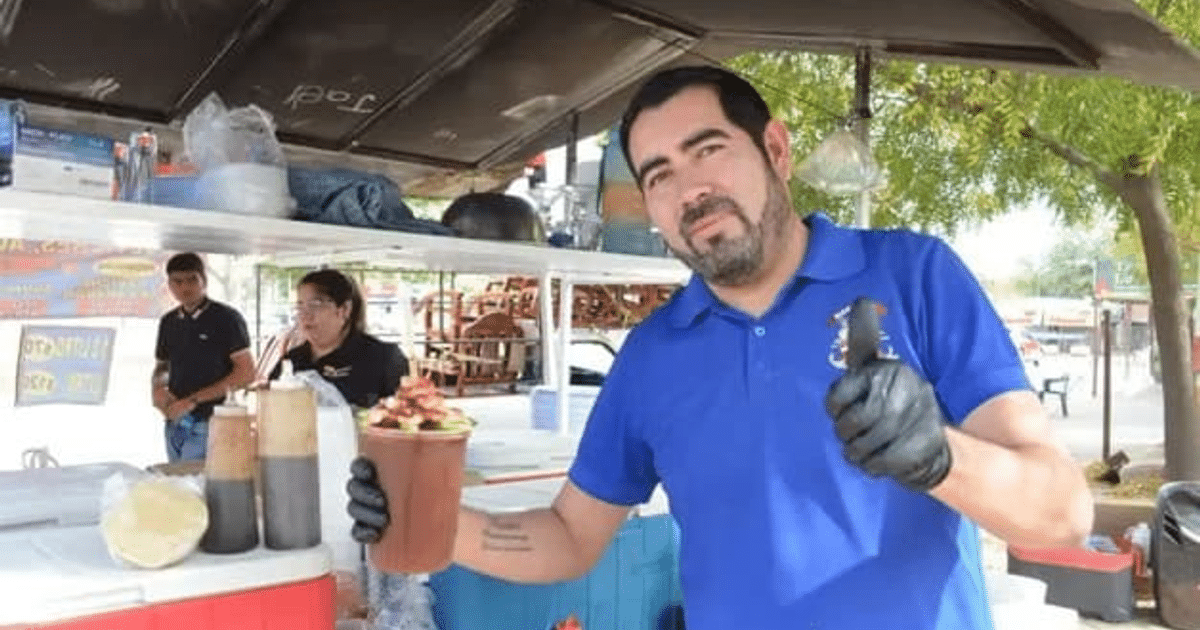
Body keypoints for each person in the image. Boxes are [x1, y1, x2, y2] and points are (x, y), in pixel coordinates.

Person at [347, 66, 1094, 629]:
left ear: (775, 148)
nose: (690, 189)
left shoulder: (913, 273)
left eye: (708, 150)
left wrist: (939, 454)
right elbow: (572, 537)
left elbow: (1061, 513)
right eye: (661, 175)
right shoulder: (651, 356)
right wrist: (430, 521)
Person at [152, 252, 254, 462]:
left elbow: (246, 373)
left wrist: (193, 400)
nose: (184, 287)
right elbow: (163, 366)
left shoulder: (226, 318)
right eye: (177, 282)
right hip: (175, 420)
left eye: (191, 280)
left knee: (205, 489)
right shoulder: (168, 322)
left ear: (204, 281)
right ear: (169, 285)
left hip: (213, 422)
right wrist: (158, 390)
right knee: (178, 488)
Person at [271, 268, 408, 409]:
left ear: (344, 310)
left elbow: (407, 414)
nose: (305, 315)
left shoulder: (383, 358)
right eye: (300, 307)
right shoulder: (292, 360)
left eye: (315, 305)